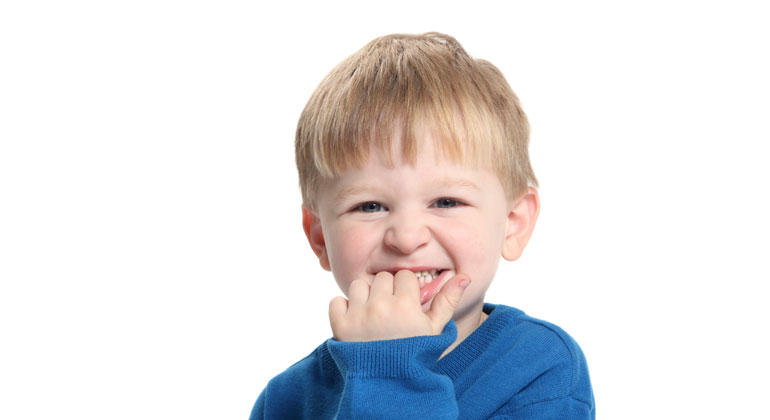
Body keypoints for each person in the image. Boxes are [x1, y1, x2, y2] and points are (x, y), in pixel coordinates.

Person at [250, 32, 594, 419]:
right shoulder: (285, 400)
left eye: (446, 202)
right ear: (319, 237)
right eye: (370, 206)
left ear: (513, 224)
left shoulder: (539, 367)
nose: (407, 237)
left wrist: (391, 373)